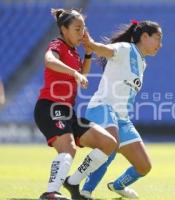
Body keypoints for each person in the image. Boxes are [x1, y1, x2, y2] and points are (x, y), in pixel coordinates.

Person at [34, 8, 117, 200]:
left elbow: (83, 75)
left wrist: (88, 54)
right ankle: (50, 193)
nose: (82, 33)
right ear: (64, 29)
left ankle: (72, 182)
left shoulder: (73, 52)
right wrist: (75, 73)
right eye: (77, 29)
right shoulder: (58, 45)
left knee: (108, 143)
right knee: (68, 148)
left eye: (84, 29)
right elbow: (49, 60)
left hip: (66, 111)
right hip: (49, 107)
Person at [79, 20, 162, 199]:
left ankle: (118, 185)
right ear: (144, 36)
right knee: (111, 144)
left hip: (122, 118)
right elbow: (106, 50)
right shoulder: (125, 48)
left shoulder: (143, 63)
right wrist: (92, 44)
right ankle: (84, 190)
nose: (160, 45)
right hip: (101, 107)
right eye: (158, 38)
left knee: (144, 166)